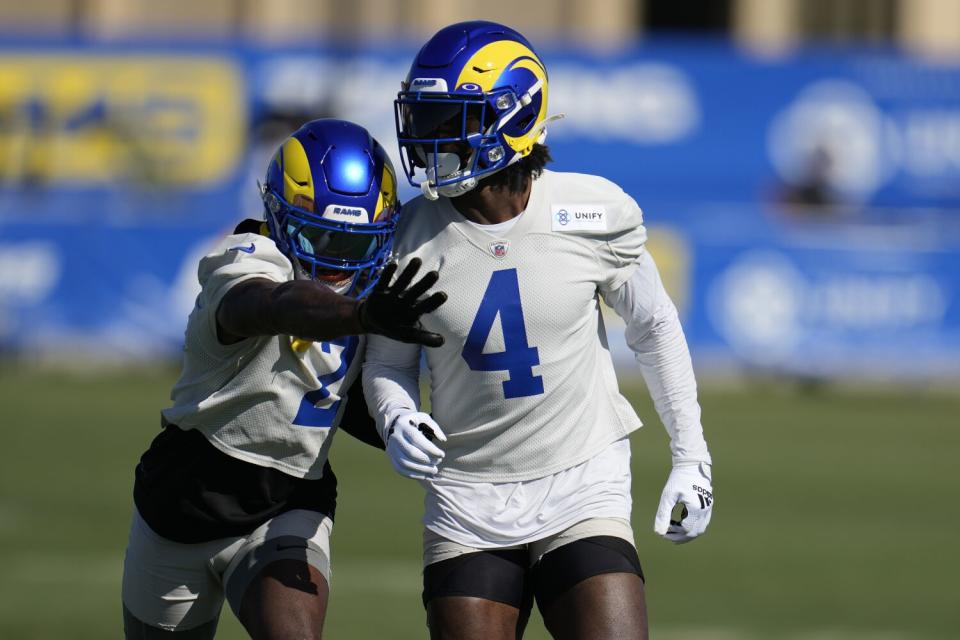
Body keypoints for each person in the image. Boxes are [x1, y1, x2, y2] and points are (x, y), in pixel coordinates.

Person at [363, 21, 714, 640]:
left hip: (583, 476)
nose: (428, 138)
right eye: (425, 117)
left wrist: (692, 457)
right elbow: (387, 364)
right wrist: (394, 415)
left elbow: (654, 326)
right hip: (468, 492)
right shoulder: (407, 236)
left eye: (452, 119)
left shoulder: (592, 212)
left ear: (513, 118)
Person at [121, 118, 447, 639]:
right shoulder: (246, 258)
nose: (337, 263)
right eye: (320, 236)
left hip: (290, 501)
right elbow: (269, 305)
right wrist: (359, 317)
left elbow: (341, 396)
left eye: (355, 244)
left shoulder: (375, 292)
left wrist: (410, 427)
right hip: (183, 500)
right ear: (277, 217)